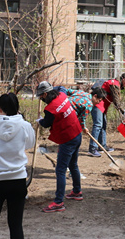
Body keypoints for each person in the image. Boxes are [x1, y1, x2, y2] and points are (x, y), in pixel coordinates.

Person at [0, 93, 34, 239]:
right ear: (17, 107)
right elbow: (30, 144)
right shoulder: (25, 126)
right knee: (16, 226)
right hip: (17, 179)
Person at [36, 81, 83, 213]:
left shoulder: (50, 109)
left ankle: (58, 202)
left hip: (68, 139)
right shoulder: (62, 94)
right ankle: (77, 191)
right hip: (77, 133)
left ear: (46, 94)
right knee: (73, 165)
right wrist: (50, 87)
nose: (41, 98)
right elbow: (61, 87)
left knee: (60, 170)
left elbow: (46, 123)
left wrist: (39, 121)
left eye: (41, 96)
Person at [89, 73, 125, 156]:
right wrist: (123, 111)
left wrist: (123, 111)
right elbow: (116, 100)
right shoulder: (114, 84)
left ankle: (102, 146)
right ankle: (92, 148)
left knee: (103, 125)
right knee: (98, 125)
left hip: (103, 106)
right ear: (124, 79)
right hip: (98, 104)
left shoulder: (116, 84)